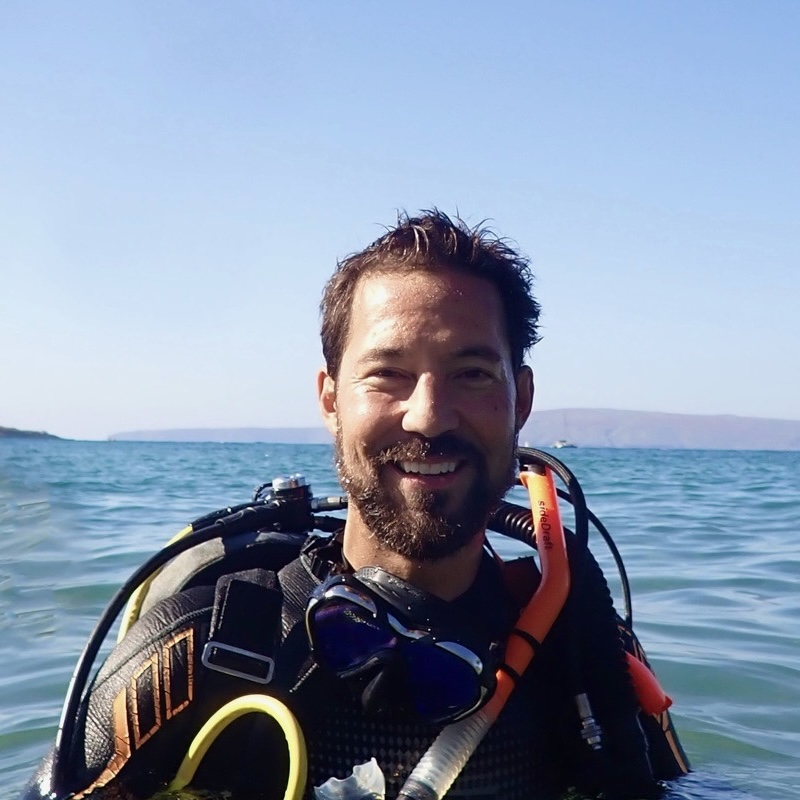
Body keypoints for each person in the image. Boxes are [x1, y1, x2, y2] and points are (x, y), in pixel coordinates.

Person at [21, 210, 689, 800]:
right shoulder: (203, 652)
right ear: (330, 399)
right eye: (387, 374)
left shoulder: (582, 646)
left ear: (523, 400)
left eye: (472, 375)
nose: (428, 416)